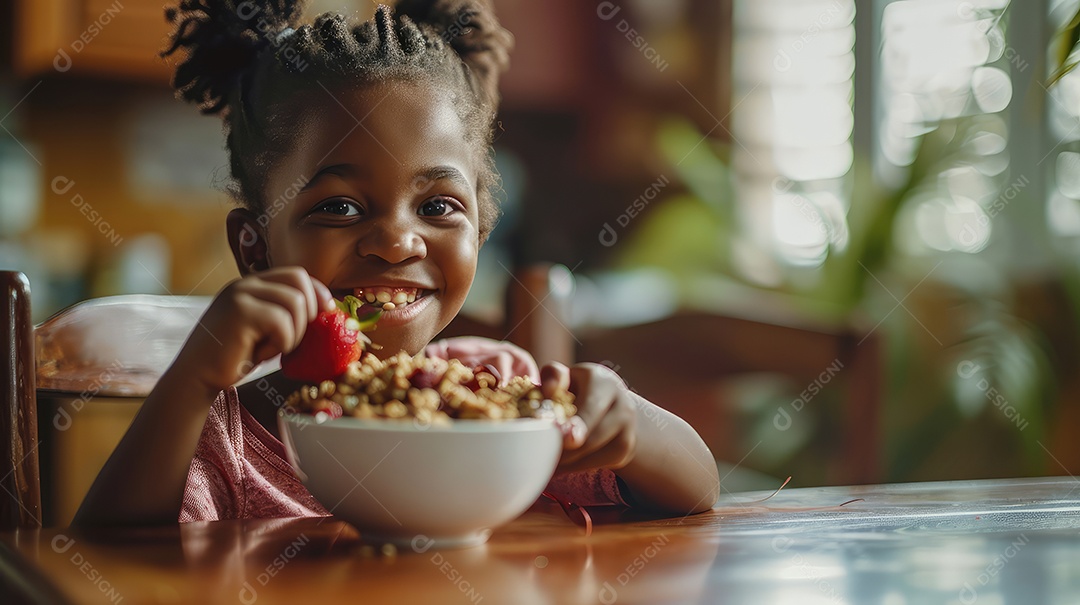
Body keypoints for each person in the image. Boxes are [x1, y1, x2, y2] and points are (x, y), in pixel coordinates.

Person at [73, 0, 720, 527]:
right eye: (341, 208)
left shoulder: (497, 392)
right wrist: (191, 378)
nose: (396, 242)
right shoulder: (228, 440)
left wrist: (630, 422)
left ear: (482, 230)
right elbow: (110, 555)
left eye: (437, 205)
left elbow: (696, 489)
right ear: (256, 248)